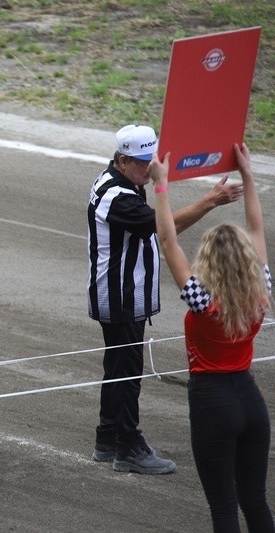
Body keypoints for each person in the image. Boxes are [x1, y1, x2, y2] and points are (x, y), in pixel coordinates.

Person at [86, 124, 243, 474]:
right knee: (127, 372)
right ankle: (128, 446)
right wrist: (209, 201)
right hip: (121, 295)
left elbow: (163, 231)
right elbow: (163, 230)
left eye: (152, 161)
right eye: (143, 163)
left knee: (117, 369)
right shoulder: (118, 196)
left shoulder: (124, 181)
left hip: (120, 292)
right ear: (123, 160)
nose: (151, 169)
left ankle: (107, 438)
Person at [151, 144, 274, 532]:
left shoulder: (202, 300)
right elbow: (256, 227)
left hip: (212, 403)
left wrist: (161, 185)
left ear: (208, 260)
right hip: (252, 404)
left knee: (223, 508)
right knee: (254, 501)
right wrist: (249, 176)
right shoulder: (262, 291)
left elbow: (167, 241)